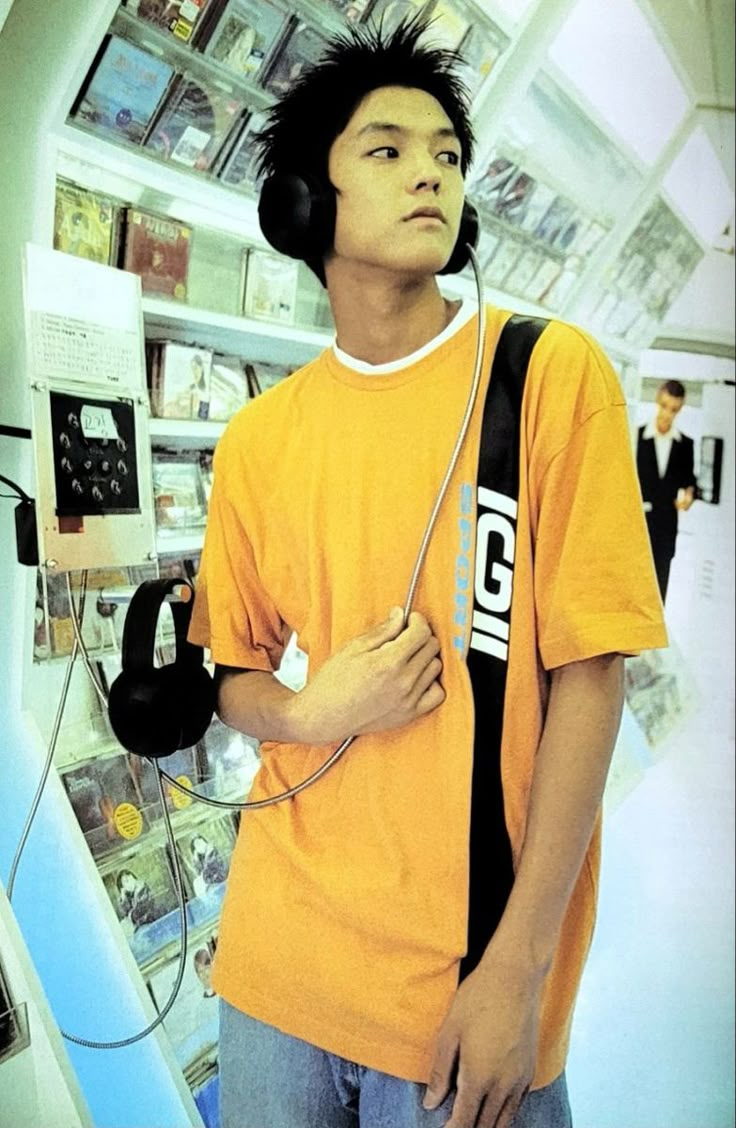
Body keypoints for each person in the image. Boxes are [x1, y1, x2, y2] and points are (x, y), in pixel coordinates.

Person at [189, 16, 667, 1128]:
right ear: (304, 204)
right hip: (276, 967)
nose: (430, 175)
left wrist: (520, 970)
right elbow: (233, 676)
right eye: (387, 149)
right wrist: (314, 711)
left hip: (460, 990)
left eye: (448, 155)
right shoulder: (261, 439)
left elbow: (592, 681)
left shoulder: (546, 377)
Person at [636, 379, 696, 603]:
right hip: (637, 528)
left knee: (659, 594)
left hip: (665, 530)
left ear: (679, 410)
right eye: (664, 406)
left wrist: (689, 495)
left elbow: (690, 481)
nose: (667, 414)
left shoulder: (685, 445)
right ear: (657, 401)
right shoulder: (637, 437)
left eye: (674, 410)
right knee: (632, 590)